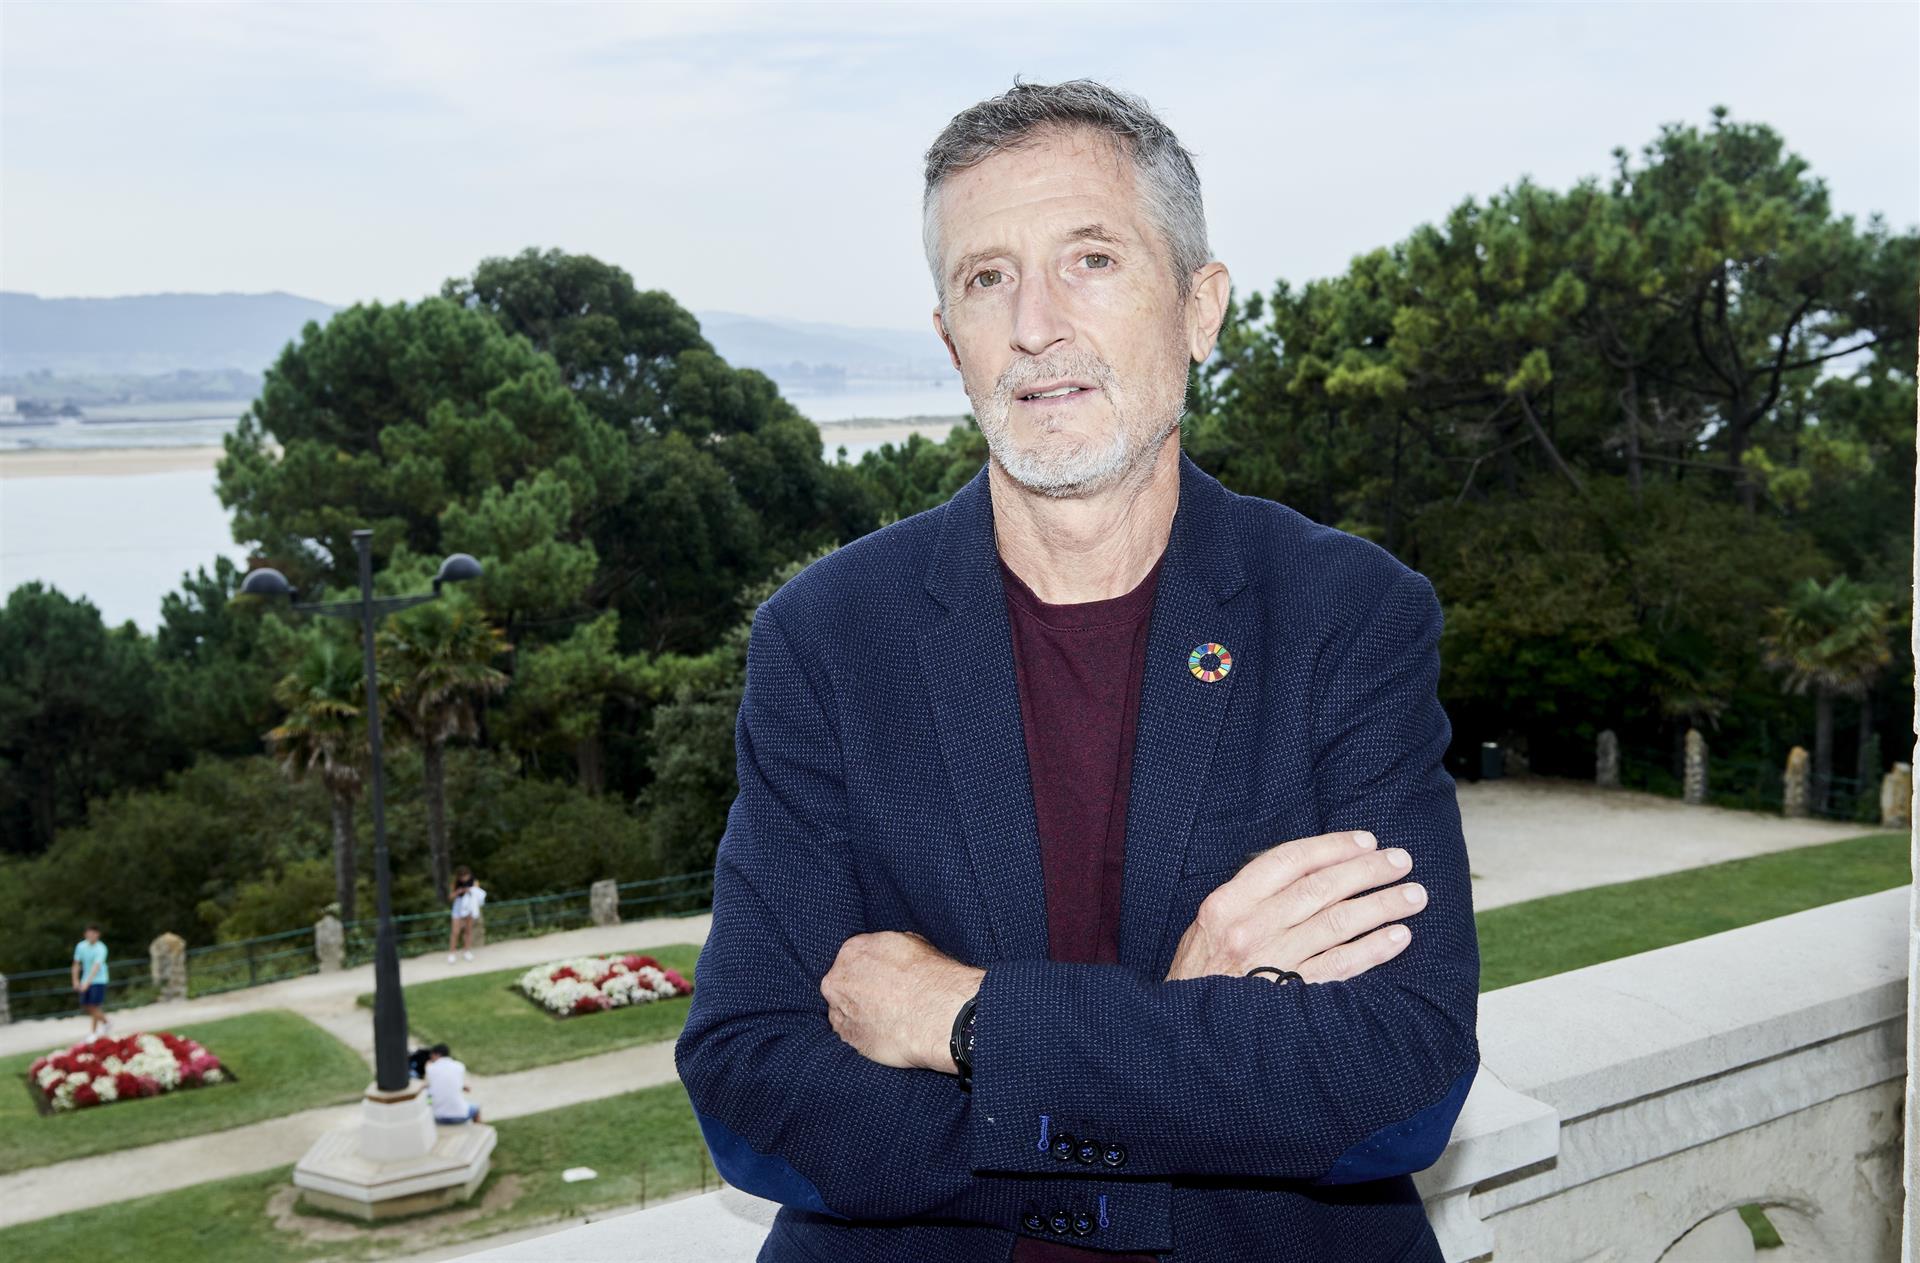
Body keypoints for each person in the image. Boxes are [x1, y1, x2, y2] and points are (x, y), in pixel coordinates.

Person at [675, 80, 1478, 1263]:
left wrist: (968, 1024)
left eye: (1091, 259)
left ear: (1200, 307)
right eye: (986, 278)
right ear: (951, 340)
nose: (1035, 324)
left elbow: (1396, 1081)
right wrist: (1186, 1027)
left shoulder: (1346, 618)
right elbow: (752, 1092)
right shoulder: (829, 639)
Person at [70, 924, 111, 1038]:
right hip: (85, 980)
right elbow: (76, 964)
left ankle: (93, 1032)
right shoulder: (81, 946)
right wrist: (75, 980)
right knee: (86, 1005)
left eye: (93, 933)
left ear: (97, 934)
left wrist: (87, 983)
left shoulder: (101, 948)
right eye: (89, 933)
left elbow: (96, 966)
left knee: (94, 1005)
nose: (90, 935)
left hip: (99, 980)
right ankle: (106, 1023)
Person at [423, 1043, 480, 1124]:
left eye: (431, 1056)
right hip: (460, 1115)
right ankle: (479, 1130)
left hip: (437, 1117)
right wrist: (462, 1087)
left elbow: (429, 1092)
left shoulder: (430, 1068)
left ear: (437, 1055)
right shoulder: (460, 1066)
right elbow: (451, 1082)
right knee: (476, 1108)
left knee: (428, 1098)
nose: (431, 1058)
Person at [448, 865, 484, 963]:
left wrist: (470, 890)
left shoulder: (474, 881)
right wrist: (458, 892)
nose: (464, 878)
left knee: (468, 930)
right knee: (455, 932)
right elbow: (450, 897)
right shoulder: (455, 883)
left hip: (469, 908)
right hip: (458, 908)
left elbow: (478, 893)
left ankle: (466, 951)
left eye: (466, 876)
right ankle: (452, 953)